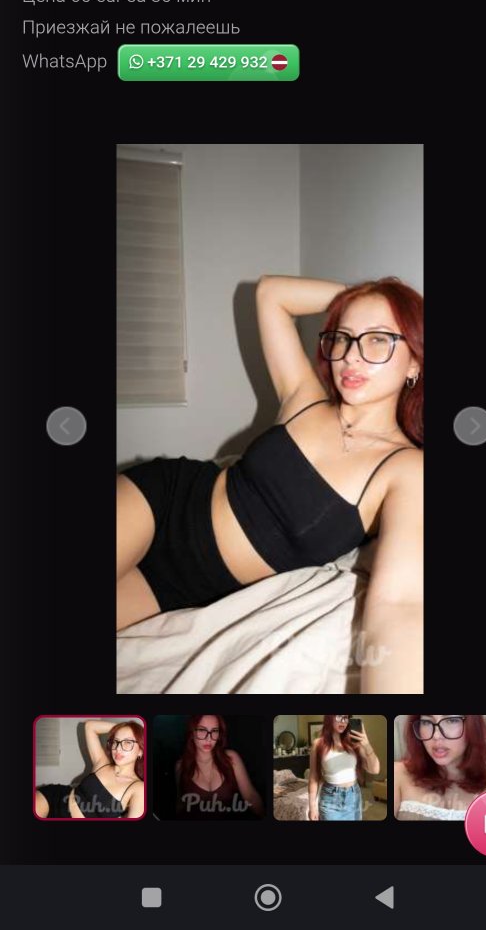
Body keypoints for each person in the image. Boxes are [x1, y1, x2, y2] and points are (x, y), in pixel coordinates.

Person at [117, 274, 423, 692]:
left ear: (415, 362)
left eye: (378, 340)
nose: (351, 357)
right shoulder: (305, 398)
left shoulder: (407, 468)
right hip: (161, 504)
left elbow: (400, 604)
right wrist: (359, 299)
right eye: (343, 337)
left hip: (185, 587)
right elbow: (271, 294)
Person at [394, 715, 486, 820]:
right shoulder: (399, 774)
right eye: (426, 722)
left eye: (451, 720)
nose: (436, 736)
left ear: (473, 726)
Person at [35, 720, 145, 819]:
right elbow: (90, 726)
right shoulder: (102, 763)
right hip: (54, 799)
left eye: (127, 742)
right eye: (116, 741)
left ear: (141, 751)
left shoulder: (138, 788)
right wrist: (120, 728)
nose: (118, 748)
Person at [175, 714, 264, 819]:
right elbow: (180, 804)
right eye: (202, 730)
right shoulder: (181, 766)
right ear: (192, 732)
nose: (209, 738)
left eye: (214, 731)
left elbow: (251, 797)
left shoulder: (231, 759)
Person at [308, 714, 380, 821]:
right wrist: (312, 807)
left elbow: (375, 770)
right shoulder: (318, 744)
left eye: (345, 717)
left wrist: (367, 744)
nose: (343, 721)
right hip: (330, 800)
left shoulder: (354, 743)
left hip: (353, 797)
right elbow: (314, 777)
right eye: (339, 716)